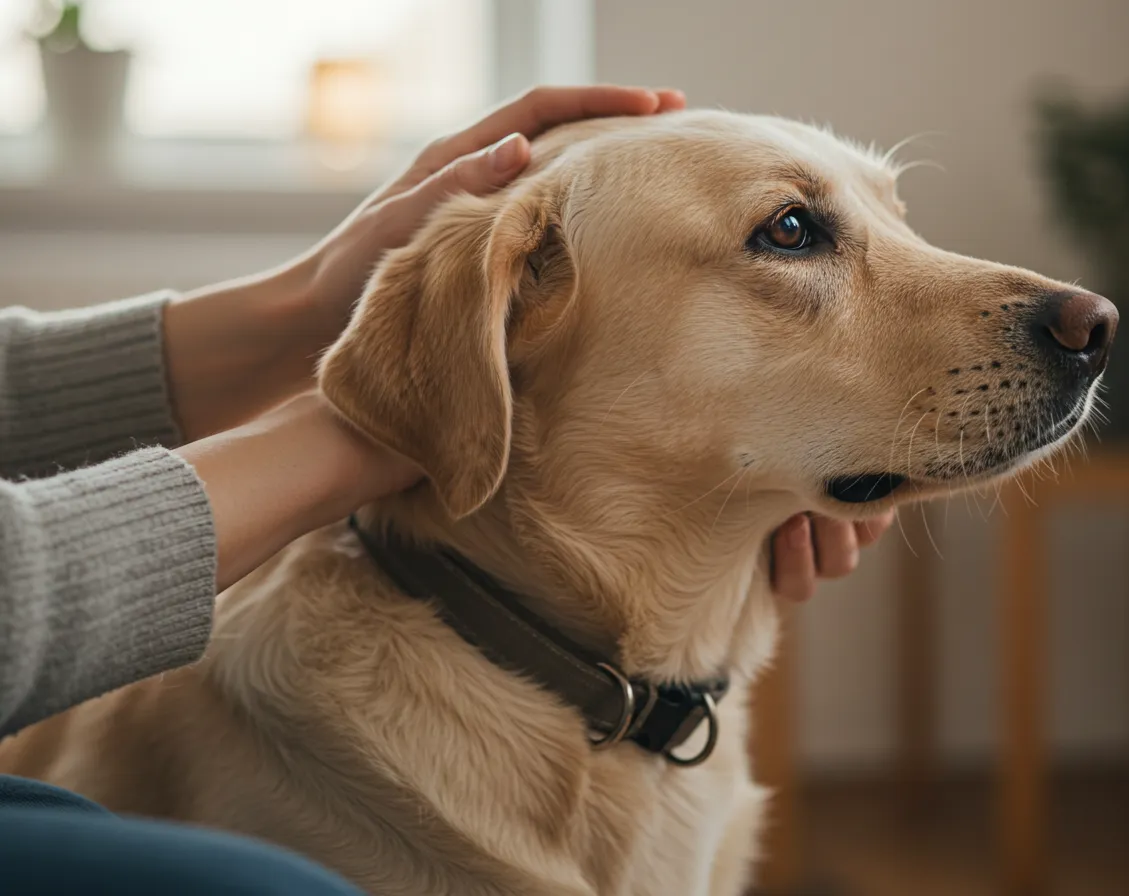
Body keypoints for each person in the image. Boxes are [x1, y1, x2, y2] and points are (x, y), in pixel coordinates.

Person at [0, 85, 894, 894]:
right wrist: (398, 402)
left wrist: (309, 297)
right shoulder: (277, 767)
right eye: (790, 231)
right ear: (512, 316)